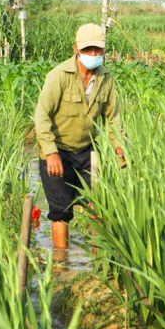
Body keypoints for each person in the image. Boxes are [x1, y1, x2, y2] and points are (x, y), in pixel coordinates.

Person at [34, 23, 125, 250]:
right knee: (61, 211)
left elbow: (113, 118)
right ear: (76, 48)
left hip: (87, 152)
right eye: (87, 49)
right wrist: (51, 153)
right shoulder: (59, 76)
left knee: (97, 206)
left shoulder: (106, 79)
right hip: (58, 150)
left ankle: (98, 259)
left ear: (104, 50)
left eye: (97, 50)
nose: (93, 54)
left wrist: (119, 148)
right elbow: (42, 116)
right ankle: (61, 262)